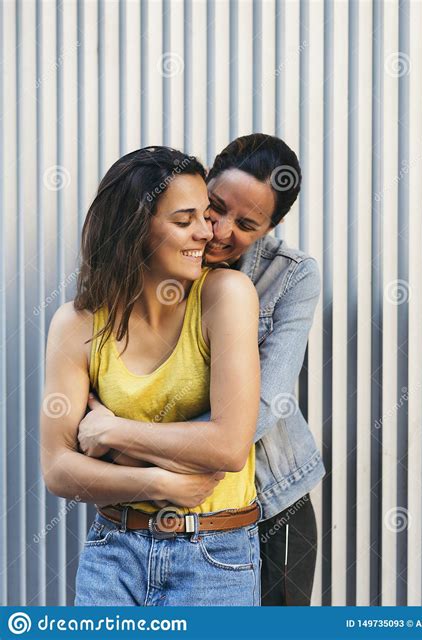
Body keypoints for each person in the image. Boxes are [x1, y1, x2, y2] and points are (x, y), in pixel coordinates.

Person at [87, 134, 326, 605]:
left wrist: (121, 445)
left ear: (268, 229)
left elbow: (259, 409)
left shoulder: (292, 276)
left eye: (246, 224)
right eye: (214, 205)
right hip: (160, 518)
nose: (218, 231)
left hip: (271, 505)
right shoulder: (156, 265)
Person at [40, 146, 262, 606]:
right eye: (184, 221)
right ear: (134, 229)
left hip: (214, 556)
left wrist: (112, 431)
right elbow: (59, 469)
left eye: (206, 215)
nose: (208, 232)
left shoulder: (226, 296)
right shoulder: (77, 324)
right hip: (113, 553)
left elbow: (229, 446)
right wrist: (160, 483)